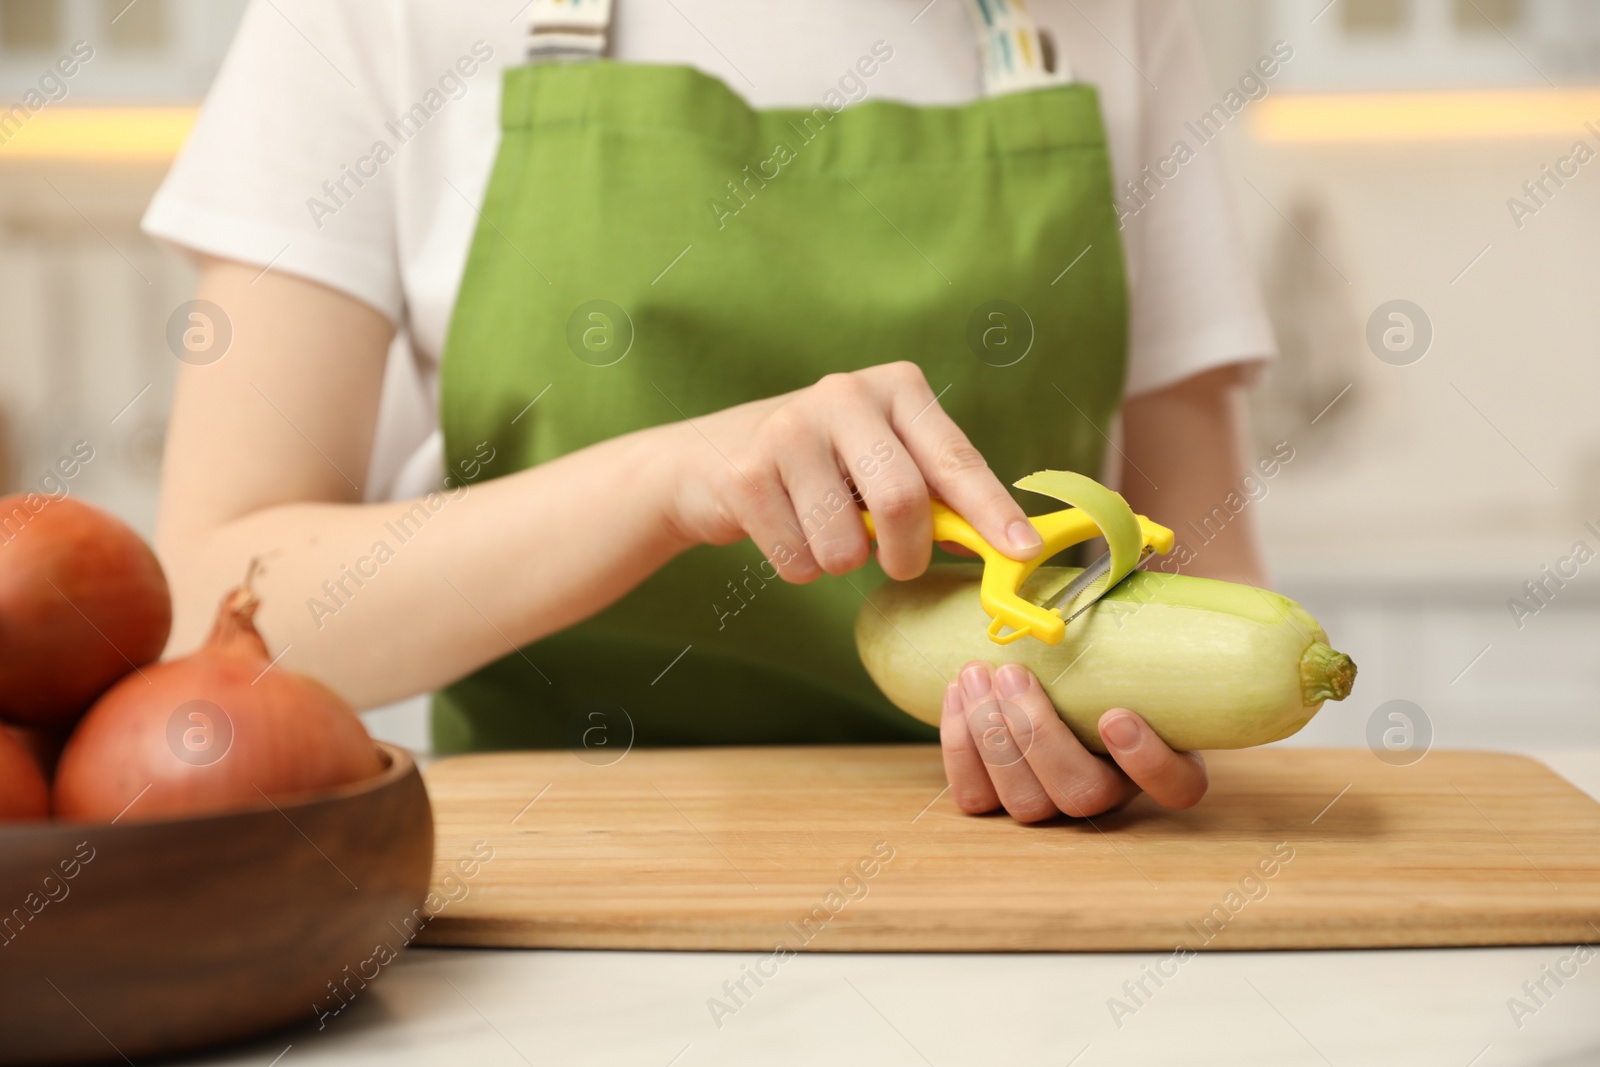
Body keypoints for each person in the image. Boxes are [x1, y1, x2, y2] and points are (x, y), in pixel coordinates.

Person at [144, 0, 1275, 823]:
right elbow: (220, 599)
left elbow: (1208, 575)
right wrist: (662, 482)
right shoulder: (362, 19)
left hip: (1028, 900)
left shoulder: (1117, 16)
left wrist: (1133, 749)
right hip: (537, 908)